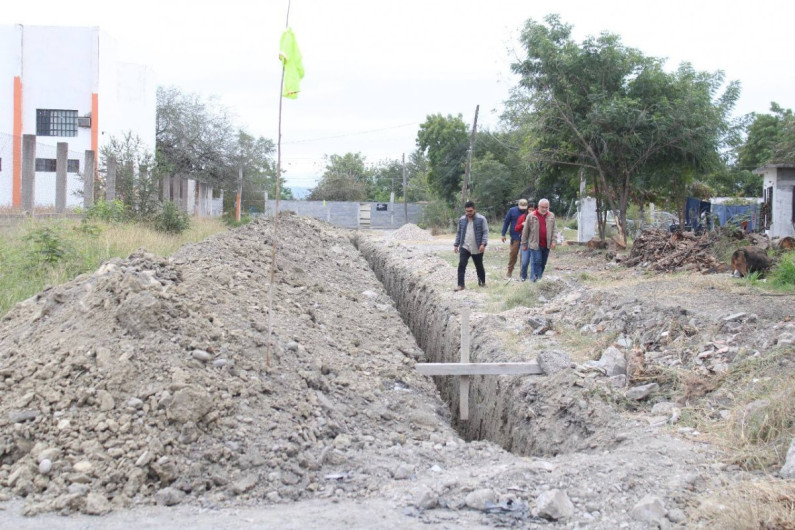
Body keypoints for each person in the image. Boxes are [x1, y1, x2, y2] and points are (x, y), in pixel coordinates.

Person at [453, 200, 488, 291]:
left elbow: (485, 232)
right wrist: (456, 244)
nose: (469, 213)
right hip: (465, 246)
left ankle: (482, 283)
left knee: (479, 266)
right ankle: (460, 285)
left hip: (477, 247)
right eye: (467, 211)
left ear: (474, 210)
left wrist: (483, 244)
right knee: (461, 265)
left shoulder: (481, 219)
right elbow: (459, 233)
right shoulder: (462, 220)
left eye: (470, 211)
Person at [520, 198, 556, 282]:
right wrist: (524, 243)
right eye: (543, 207)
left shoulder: (551, 216)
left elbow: (554, 229)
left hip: (546, 244)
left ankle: (539, 278)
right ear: (538, 206)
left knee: (543, 263)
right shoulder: (531, 216)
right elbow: (525, 230)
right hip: (535, 244)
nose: (544, 209)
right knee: (536, 262)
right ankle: (534, 281)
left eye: (546, 207)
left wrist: (554, 241)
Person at [500, 199, 529, 279]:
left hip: (525, 237)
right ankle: (509, 272)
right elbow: (506, 222)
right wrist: (503, 234)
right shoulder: (512, 211)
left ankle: (522, 274)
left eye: (524, 208)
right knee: (513, 255)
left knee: (523, 257)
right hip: (515, 236)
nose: (523, 209)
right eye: (521, 207)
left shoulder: (529, 212)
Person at [517, 201, 536, 281]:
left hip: (535, 241)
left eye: (533, 209)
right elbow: (516, 228)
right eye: (529, 209)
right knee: (524, 261)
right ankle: (523, 276)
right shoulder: (522, 217)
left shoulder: (537, 218)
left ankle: (533, 278)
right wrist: (522, 224)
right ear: (527, 210)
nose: (531, 211)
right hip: (525, 241)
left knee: (533, 261)